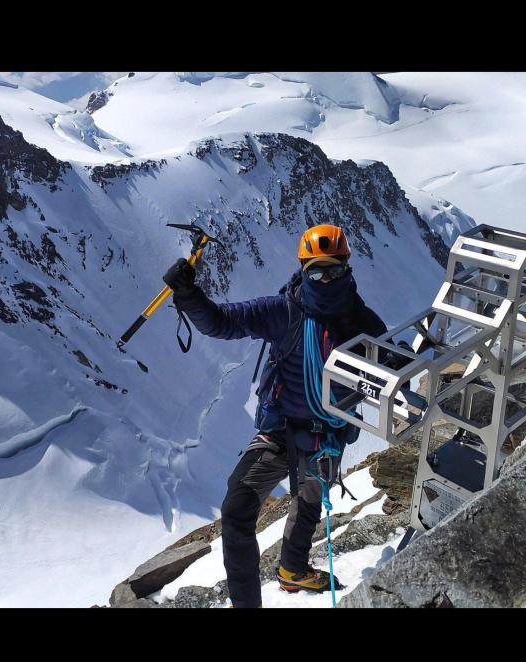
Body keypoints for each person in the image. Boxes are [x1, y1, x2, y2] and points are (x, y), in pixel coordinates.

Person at [163, 224, 388, 608]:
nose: (326, 278)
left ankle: (292, 570)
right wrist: (189, 294)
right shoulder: (285, 312)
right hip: (283, 430)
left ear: (347, 267)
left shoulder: (362, 323)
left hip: (326, 435)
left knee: (308, 504)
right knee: (237, 511)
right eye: (318, 271)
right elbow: (220, 322)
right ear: (303, 269)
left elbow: (387, 364)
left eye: (333, 269)